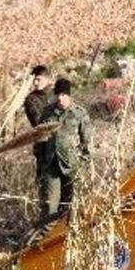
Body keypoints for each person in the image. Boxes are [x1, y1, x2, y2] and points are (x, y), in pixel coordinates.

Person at [40, 78, 91, 221]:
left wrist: (82, 163)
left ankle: (68, 232)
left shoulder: (80, 113)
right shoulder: (47, 112)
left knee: (72, 206)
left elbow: (86, 141)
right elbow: (39, 139)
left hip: (71, 166)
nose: (60, 98)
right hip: (51, 166)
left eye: (63, 94)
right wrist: (40, 165)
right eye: (57, 94)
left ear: (69, 95)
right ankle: (47, 233)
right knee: (50, 206)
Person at [24, 65, 54, 219]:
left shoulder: (57, 95)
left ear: (48, 79)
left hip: (63, 148)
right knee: (47, 192)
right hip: (44, 149)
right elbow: (40, 123)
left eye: (38, 79)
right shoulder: (32, 99)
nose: (35, 83)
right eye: (33, 80)